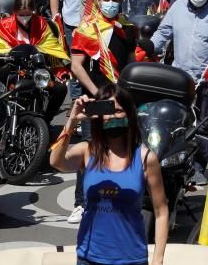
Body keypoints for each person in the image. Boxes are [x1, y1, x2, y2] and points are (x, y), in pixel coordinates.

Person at [49, 85, 168, 265]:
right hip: (89, 257)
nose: (112, 116)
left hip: (132, 259)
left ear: (130, 114)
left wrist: (158, 259)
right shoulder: (87, 152)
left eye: (119, 110)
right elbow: (55, 161)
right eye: (108, 110)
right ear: (98, 115)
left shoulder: (145, 159)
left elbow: (161, 211)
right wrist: (72, 121)